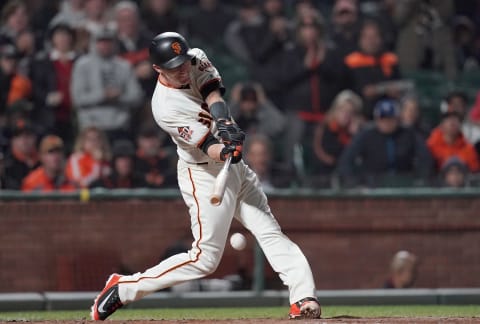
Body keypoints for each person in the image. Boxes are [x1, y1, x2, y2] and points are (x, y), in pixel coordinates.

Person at [90, 32, 321, 321]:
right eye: (174, 67)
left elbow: (212, 92)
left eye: (183, 62)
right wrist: (226, 151)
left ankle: (303, 297)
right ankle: (124, 288)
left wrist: (224, 121)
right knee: (205, 260)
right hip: (203, 174)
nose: (183, 68)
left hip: (233, 169)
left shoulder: (195, 57)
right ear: (158, 70)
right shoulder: (164, 108)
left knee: (269, 231)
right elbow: (207, 146)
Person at [337, 98, 433, 187]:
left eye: (390, 119)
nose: (387, 123)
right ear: (377, 120)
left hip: (404, 185)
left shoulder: (408, 134)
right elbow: (346, 160)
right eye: (383, 119)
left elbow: (425, 158)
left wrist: (420, 180)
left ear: (397, 119)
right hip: (373, 187)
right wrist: (356, 183)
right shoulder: (366, 135)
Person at [70, 27, 143, 142]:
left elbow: (136, 96)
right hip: (91, 128)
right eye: (101, 41)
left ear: (114, 43)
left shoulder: (124, 65)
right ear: (94, 43)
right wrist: (102, 95)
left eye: (108, 41)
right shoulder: (82, 65)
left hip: (119, 125)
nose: (105, 45)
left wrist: (119, 96)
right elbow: (77, 99)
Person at [310, 90, 364, 185]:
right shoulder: (325, 127)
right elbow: (329, 152)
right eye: (342, 110)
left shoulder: (358, 131)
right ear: (335, 110)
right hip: (323, 175)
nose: (346, 115)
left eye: (350, 112)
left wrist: (355, 135)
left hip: (348, 175)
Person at [134, 124, 176, 188]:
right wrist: (144, 178)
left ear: (159, 142)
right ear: (140, 142)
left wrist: (163, 178)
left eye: (153, 138)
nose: (151, 143)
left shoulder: (166, 160)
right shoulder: (134, 160)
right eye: (147, 139)